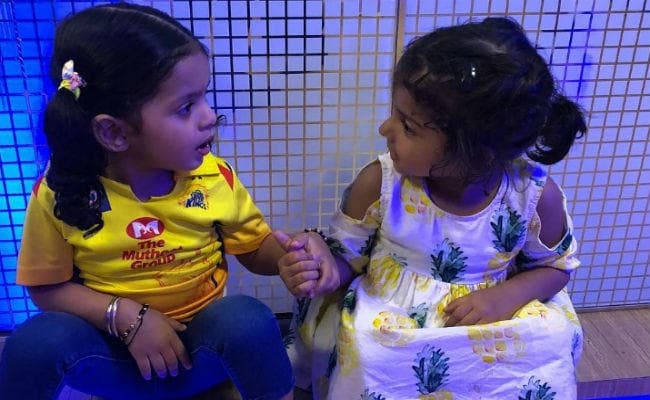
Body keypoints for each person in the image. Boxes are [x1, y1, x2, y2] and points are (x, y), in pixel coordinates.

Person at [275, 16, 586, 400]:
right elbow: (346, 262)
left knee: (550, 338)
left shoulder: (532, 195)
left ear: (477, 151)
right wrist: (321, 265)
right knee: (372, 350)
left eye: (408, 126)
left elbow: (555, 268)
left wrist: (504, 298)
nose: (385, 128)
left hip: (488, 320)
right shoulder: (380, 182)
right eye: (395, 113)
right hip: (393, 317)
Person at [0, 3, 295, 400]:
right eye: (186, 106)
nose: (210, 116)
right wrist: (128, 318)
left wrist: (291, 256)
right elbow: (46, 288)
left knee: (249, 320)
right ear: (114, 132)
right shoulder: (61, 190)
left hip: (197, 354)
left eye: (204, 98)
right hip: (113, 360)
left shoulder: (212, 176)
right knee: (33, 344)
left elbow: (256, 248)